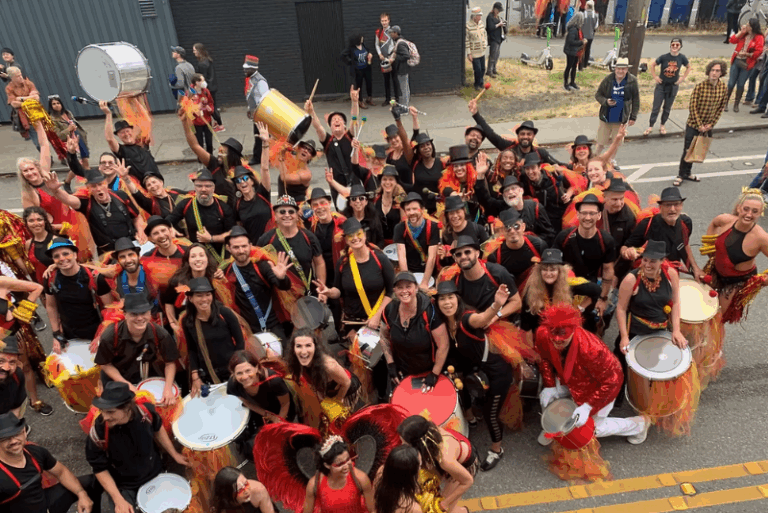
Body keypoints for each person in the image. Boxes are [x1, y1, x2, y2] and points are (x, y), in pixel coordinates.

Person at [536, 304, 650, 447]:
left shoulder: (592, 349)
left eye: (562, 340)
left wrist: (588, 406)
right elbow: (544, 358)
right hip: (568, 380)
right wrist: (550, 385)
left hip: (598, 390)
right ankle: (554, 429)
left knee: (590, 429)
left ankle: (638, 425)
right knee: (548, 401)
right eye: (554, 340)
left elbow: (613, 381)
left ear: (573, 331)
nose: (557, 344)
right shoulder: (542, 334)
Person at [435, 281, 514, 471]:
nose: (447, 302)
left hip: (497, 371)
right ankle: (471, 418)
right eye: (442, 299)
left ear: (457, 299)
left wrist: (496, 304)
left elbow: (482, 319)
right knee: (468, 391)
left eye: (450, 297)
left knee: (490, 413)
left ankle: (496, 450)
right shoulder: (445, 322)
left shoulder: (466, 319)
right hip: (479, 369)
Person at [85, 382, 188, 512]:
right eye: (102, 411)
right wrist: (118, 499)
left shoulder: (145, 411)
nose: (105, 417)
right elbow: (99, 468)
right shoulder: (99, 430)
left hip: (154, 472)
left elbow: (157, 428)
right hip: (124, 486)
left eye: (110, 412)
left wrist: (174, 454)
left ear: (127, 408)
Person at [614, 240, 685, 402]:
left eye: (652, 261)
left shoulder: (671, 274)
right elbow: (621, 309)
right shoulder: (631, 279)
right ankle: (619, 397)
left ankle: (651, 398)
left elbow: (676, 303)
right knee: (621, 366)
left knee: (658, 364)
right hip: (635, 330)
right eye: (645, 260)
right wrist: (624, 337)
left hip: (660, 329)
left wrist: (676, 330)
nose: (647, 265)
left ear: (662, 261)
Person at [0, 412, 102, 513]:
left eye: (16, 434)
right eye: (5, 438)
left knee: (92, 482)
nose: (13, 441)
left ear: (24, 432)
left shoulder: (35, 452)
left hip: (45, 504)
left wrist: (82, 495)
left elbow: (61, 472)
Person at [315, 217, 394, 341]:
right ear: (346, 240)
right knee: (356, 353)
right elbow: (338, 290)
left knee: (381, 353)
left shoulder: (380, 259)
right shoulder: (343, 263)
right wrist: (328, 292)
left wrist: (377, 315)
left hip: (379, 319)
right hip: (352, 322)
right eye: (350, 236)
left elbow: (391, 291)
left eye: (358, 234)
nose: (355, 238)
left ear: (365, 235)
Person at [702, 188, 768, 322]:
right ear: (739, 208)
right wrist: (709, 247)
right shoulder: (725, 220)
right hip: (715, 272)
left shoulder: (761, 238)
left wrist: (762, 281)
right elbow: (714, 223)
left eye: (755, 211)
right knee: (703, 307)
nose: (749, 214)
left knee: (715, 318)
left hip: (735, 283)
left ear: (760, 213)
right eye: (746, 209)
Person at [94, 293, 178, 396]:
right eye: (134, 314)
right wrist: (126, 384)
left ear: (150, 313)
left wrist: (168, 389)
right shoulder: (110, 335)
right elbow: (105, 364)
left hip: (144, 376)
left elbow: (170, 363)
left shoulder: (160, 334)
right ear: (125, 314)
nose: (140, 318)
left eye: (144, 313)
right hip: (116, 379)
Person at [553, 194, 616, 330]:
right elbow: (552, 266)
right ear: (578, 214)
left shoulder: (606, 240)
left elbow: (608, 272)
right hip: (565, 289)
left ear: (599, 215)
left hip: (591, 291)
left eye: (592, 213)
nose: (588, 217)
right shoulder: (564, 237)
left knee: (588, 329)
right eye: (584, 213)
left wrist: (602, 299)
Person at [46, 168, 142, 254]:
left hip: (131, 246)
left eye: (100, 184)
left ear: (106, 183)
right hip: (108, 253)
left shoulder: (121, 195)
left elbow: (137, 217)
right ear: (88, 188)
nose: (98, 189)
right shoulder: (86, 203)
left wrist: (140, 231)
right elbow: (68, 198)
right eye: (93, 186)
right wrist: (56, 191)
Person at [380, 272, 449, 385]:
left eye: (408, 286)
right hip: (402, 372)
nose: (404, 291)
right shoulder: (389, 310)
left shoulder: (430, 311)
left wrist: (434, 374)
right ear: (395, 290)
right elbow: (384, 338)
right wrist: (391, 364)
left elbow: (443, 345)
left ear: (416, 288)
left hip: (429, 370)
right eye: (400, 287)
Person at [223, 226, 292, 339]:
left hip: (273, 325)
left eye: (244, 246)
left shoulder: (262, 265)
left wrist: (281, 278)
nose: (241, 251)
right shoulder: (227, 271)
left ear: (250, 245)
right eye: (236, 247)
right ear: (228, 248)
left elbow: (284, 287)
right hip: (248, 331)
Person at [621, 187, 704, 280]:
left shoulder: (686, 223)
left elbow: (684, 244)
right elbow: (625, 247)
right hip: (648, 276)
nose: (672, 209)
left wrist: (695, 268)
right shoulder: (647, 224)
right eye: (668, 205)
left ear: (681, 206)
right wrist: (628, 252)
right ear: (660, 207)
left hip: (672, 275)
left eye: (676, 204)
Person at [45, 238, 114, 348]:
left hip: (96, 332)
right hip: (69, 334)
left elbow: (110, 309)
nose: (62, 258)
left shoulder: (95, 278)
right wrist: (56, 333)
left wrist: (102, 335)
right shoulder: (50, 278)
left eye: (66, 254)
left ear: (75, 255)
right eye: (56, 256)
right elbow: (51, 306)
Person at [181, 277, 245, 395]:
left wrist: (238, 368)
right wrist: (195, 377)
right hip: (208, 374)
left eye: (208, 294)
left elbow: (240, 342)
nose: (204, 299)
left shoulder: (224, 313)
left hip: (232, 370)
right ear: (190, 298)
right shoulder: (188, 321)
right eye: (199, 296)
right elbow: (192, 349)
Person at [397, 415, 474, 512]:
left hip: (464, 466)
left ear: (418, 444)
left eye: (405, 443)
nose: (402, 445)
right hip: (450, 459)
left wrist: (445, 503)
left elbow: (468, 481)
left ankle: (463, 511)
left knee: (446, 509)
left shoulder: (445, 460)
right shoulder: (426, 432)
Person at [227, 351, 295, 458]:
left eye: (248, 371)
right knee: (251, 443)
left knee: (278, 444)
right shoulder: (233, 384)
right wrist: (268, 416)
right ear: (233, 374)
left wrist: (278, 422)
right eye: (239, 373)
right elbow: (247, 402)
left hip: (281, 411)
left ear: (257, 368)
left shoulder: (274, 381)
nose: (244, 377)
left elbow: (285, 403)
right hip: (259, 411)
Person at [520, 248, 601, 334]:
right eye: (544, 269)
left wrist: (579, 309)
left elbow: (596, 290)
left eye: (552, 270)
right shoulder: (532, 289)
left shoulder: (569, 285)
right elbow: (526, 324)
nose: (548, 274)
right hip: (540, 334)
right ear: (539, 271)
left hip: (563, 334)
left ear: (560, 272)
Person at [674, 60, 729, 185]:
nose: (714, 73)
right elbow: (692, 107)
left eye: (717, 71)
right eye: (712, 70)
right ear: (708, 71)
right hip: (694, 124)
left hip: (708, 126)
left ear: (721, 73)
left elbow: (721, 108)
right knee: (688, 149)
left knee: (697, 150)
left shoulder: (723, 88)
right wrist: (699, 125)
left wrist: (711, 125)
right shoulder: (700, 86)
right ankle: (681, 175)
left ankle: (688, 173)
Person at [258, 195, 325, 296]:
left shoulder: (308, 237)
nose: (287, 215)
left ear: (297, 216)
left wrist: (321, 287)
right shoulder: (266, 239)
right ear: (275, 216)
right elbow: (257, 265)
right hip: (278, 297)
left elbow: (319, 263)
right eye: (282, 212)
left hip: (306, 295)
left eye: (291, 212)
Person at [286, 329, 362, 419]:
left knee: (342, 419)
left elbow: (346, 383)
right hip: (328, 390)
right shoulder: (296, 361)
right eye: (299, 346)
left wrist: (336, 402)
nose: (303, 351)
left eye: (308, 345)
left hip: (345, 391)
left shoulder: (329, 365)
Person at [166, 168, 235, 262]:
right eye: (199, 186)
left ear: (213, 188)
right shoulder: (186, 204)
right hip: (195, 256)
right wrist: (169, 227)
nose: (203, 189)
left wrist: (211, 239)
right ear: (194, 187)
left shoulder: (223, 208)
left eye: (207, 186)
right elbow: (168, 221)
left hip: (218, 257)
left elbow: (232, 235)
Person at [305, 89, 359, 204]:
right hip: (336, 184)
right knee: (341, 211)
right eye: (333, 120)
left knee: (358, 209)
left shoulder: (350, 136)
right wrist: (311, 112)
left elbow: (355, 119)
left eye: (339, 119)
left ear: (345, 125)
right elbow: (318, 127)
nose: (336, 120)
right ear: (330, 127)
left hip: (354, 182)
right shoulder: (327, 140)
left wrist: (355, 102)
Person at [180, 112, 243, 203]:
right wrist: (185, 122)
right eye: (219, 151)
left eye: (223, 152)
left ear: (231, 156)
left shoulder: (241, 173)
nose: (219, 154)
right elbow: (195, 146)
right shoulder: (214, 163)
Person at [303, 436, 375, 513]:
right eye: (340, 464)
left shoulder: (361, 478)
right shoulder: (314, 484)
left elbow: (373, 510)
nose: (346, 466)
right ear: (327, 465)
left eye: (348, 459)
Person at [100, 101, 162, 182]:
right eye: (122, 132)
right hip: (138, 187)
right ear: (118, 136)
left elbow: (147, 120)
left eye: (127, 131)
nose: (126, 134)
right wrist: (108, 114)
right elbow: (109, 139)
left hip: (156, 183)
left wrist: (135, 100)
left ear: (132, 131)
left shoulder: (142, 143)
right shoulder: (121, 150)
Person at [486, 208, 549, 288]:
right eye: (507, 228)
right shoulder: (494, 254)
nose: (512, 231)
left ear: (523, 227)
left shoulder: (539, 245)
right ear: (502, 231)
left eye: (516, 226)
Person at [594, 58, 639, 167]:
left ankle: (611, 161)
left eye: (623, 69)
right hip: (606, 116)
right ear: (615, 69)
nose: (620, 71)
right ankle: (595, 159)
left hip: (621, 118)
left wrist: (633, 116)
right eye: (618, 69)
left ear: (627, 69)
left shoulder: (632, 81)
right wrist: (606, 102)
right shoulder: (608, 79)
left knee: (616, 142)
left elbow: (636, 100)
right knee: (601, 141)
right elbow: (598, 95)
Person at [393, 193, 440, 291]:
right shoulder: (400, 228)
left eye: (415, 209)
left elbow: (432, 257)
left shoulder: (433, 227)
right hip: (410, 271)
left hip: (429, 272)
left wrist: (425, 283)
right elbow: (402, 256)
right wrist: (408, 282)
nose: (411, 212)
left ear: (422, 209)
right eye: (408, 210)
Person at [644, 39, 691, 136]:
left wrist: (682, 78)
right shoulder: (664, 57)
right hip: (661, 85)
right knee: (656, 107)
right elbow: (653, 65)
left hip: (673, 86)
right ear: (670, 45)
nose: (675, 46)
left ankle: (662, 125)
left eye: (677, 45)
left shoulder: (682, 58)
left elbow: (689, 67)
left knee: (667, 108)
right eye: (673, 44)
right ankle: (650, 126)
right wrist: (655, 77)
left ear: (680, 46)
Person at [519, 152, 573, 233]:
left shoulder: (553, 175)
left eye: (533, 168)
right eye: (527, 169)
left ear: (540, 167)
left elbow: (571, 186)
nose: (530, 172)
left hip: (560, 215)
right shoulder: (525, 181)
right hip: (542, 219)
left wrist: (568, 195)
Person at [724, 19, 764, 112]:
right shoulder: (744, 34)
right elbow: (732, 40)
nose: (746, 26)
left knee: (741, 84)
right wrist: (740, 32)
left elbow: (758, 51)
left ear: (752, 27)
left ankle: (736, 104)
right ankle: (725, 103)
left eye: (748, 25)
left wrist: (747, 54)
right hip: (737, 60)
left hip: (747, 63)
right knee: (731, 83)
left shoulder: (759, 37)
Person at [232, 161, 274, 245]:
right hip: (254, 246)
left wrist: (265, 151)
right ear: (237, 186)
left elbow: (265, 169)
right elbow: (239, 228)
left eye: (245, 178)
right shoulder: (237, 205)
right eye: (238, 180)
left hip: (271, 243)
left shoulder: (263, 193)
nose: (242, 182)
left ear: (252, 181)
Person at [439, 145, 483, 223]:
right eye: (456, 166)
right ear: (452, 169)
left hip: (477, 221)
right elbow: (445, 189)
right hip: (456, 221)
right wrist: (454, 194)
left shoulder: (476, 180)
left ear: (468, 167)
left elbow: (484, 198)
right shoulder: (448, 180)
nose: (459, 168)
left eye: (462, 165)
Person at [374, 446, 423, 513]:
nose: (420, 469)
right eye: (420, 466)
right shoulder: (413, 509)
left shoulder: (381, 472)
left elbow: (373, 508)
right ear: (411, 475)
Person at [49, 95, 90, 174]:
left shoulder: (67, 113)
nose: (57, 105)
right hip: (69, 142)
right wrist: (68, 129)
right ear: (51, 106)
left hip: (78, 138)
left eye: (58, 103)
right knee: (77, 165)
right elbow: (59, 136)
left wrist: (77, 128)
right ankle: (87, 177)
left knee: (85, 160)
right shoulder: (52, 119)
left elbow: (74, 122)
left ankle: (71, 179)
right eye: (54, 104)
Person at [407, 132, 445, 213]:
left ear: (432, 146)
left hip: (440, 209)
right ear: (418, 150)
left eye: (428, 144)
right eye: (422, 146)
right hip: (421, 209)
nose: (426, 147)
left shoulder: (441, 163)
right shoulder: (415, 165)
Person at [5, 67, 40, 150]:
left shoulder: (28, 83)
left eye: (20, 75)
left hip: (38, 113)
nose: (21, 77)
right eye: (17, 76)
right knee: (37, 142)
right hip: (26, 117)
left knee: (49, 137)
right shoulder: (9, 88)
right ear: (12, 78)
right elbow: (14, 104)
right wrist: (30, 100)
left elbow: (36, 98)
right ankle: (46, 156)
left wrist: (21, 99)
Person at [192, 43, 223, 130]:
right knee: (213, 105)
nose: (193, 52)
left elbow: (202, 77)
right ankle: (218, 123)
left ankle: (220, 125)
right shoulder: (208, 60)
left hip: (208, 88)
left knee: (210, 106)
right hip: (213, 86)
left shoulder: (202, 63)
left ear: (199, 51)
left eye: (194, 50)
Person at [276, 139, 315, 204]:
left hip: (296, 206)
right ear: (299, 149)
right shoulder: (291, 161)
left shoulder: (306, 174)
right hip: (283, 203)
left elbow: (284, 178)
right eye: (304, 147)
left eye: (309, 150)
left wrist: (282, 155)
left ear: (311, 157)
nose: (305, 151)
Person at [23, 206, 55, 284]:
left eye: (39, 220)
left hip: (57, 284)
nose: (36, 224)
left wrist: (55, 265)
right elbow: (30, 269)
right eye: (31, 221)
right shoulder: (28, 244)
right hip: (40, 286)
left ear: (45, 221)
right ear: (26, 223)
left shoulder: (56, 241)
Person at [342, 33, 374, 109]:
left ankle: (369, 98)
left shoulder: (363, 45)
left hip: (366, 67)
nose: (362, 39)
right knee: (359, 85)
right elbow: (343, 55)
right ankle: (360, 101)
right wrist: (350, 62)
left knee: (369, 83)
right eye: (361, 38)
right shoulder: (351, 48)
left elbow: (368, 50)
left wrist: (370, 54)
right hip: (358, 69)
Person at [373, 166, 405, 243]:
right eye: (384, 179)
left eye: (391, 179)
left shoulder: (400, 201)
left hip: (396, 242)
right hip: (377, 243)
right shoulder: (375, 200)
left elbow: (404, 223)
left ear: (396, 182)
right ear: (381, 182)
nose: (387, 182)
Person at [189, 73, 215, 153]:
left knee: (209, 142)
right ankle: (201, 158)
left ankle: (210, 157)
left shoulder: (206, 91)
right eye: (202, 80)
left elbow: (211, 102)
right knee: (199, 143)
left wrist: (210, 109)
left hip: (207, 120)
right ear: (197, 83)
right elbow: (188, 108)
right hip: (196, 122)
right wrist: (197, 108)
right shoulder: (190, 93)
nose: (204, 82)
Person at [375, 13, 396, 106]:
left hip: (393, 59)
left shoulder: (393, 31)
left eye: (385, 20)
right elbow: (377, 44)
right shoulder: (378, 32)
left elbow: (396, 44)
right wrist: (379, 54)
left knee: (395, 79)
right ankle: (387, 99)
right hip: (383, 59)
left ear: (389, 21)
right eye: (382, 21)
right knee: (386, 80)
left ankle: (397, 98)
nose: (384, 22)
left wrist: (392, 56)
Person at [389, 26, 411, 111]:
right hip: (403, 69)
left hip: (402, 70)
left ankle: (404, 108)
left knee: (404, 89)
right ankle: (404, 106)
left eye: (391, 32)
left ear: (396, 33)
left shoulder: (400, 43)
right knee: (405, 88)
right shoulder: (400, 41)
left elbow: (406, 55)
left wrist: (395, 58)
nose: (390, 34)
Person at [563, 13, 586, 91]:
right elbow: (571, 41)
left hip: (575, 51)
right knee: (569, 67)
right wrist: (581, 42)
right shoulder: (573, 30)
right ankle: (566, 83)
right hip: (570, 51)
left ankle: (572, 82)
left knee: (574, 67)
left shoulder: (577, 29)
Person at [466, 7, 488, 91]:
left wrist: (485, 42)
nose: (480, 17)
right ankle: (477, 84)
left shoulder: (481, 24)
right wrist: (469, 53)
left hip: (482, 51)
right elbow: (467, 41)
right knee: (477, 69)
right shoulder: (468, 26)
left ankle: (481, 83)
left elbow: (484, 34)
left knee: (483, 69)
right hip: (474, 52)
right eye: (479, 15)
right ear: (474, 16)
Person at [486, 2, 506, 78]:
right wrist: (499, 24)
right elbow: (490, 28)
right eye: (498, 10)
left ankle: (494, 69)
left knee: (496, 55)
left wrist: (503, 24)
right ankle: (489, 71)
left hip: (498, 39)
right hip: (493, 39)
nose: (498, 12)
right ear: (494, 9)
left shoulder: (498, 17)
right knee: (492, 55)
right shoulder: (490, 17)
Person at [580, 1, 598, 70]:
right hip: (590, 35)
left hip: (583, 35)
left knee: (582, 49)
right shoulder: (595, 15)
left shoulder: (583, 14)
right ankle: (585, 64)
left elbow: (580, 24)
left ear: (587, 6)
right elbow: (596, 26)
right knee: (588, 49)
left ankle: (580, 64)